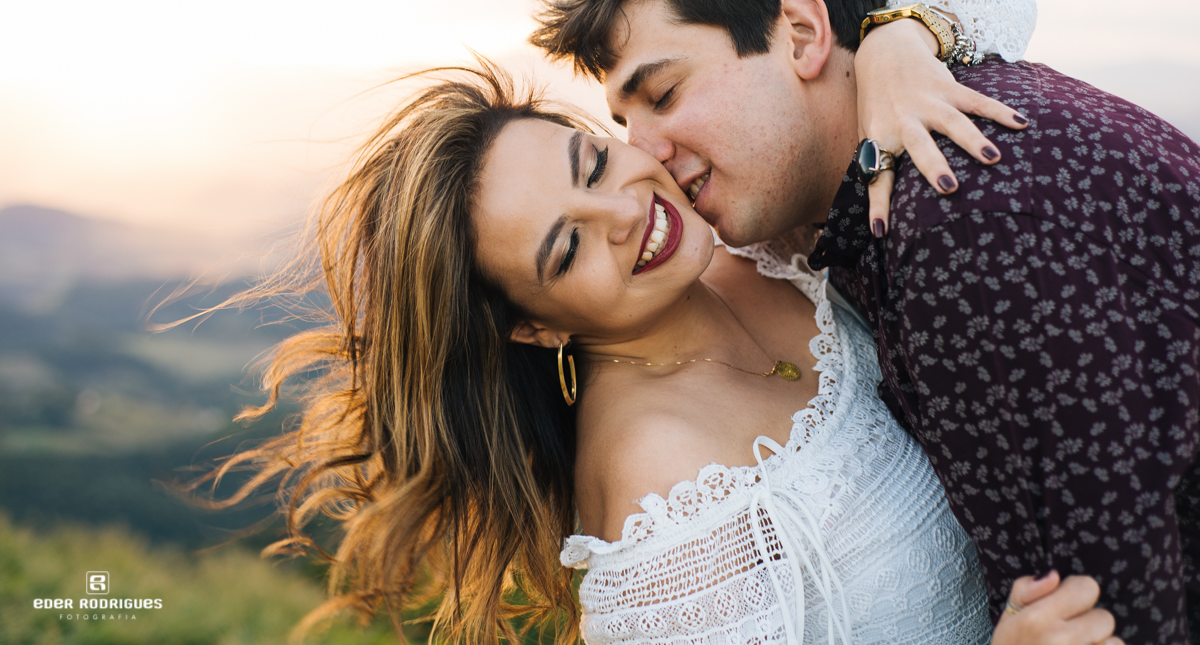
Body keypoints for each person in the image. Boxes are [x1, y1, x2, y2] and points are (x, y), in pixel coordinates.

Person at [184, 57, 1122, 645]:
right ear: (535, 325)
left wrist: (898, 43)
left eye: (592, 165)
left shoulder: (734, 243)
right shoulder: (660, 502)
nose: (630, 211)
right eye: (568, 245)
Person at [529, 0, 1200, 644]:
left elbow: (1108, 613)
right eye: (622, 121)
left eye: (665, 93)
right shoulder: (880, 179)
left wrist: (900, 27)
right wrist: (901, 29)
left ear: (805, 34)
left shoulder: (962, 224)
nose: (641, 153)